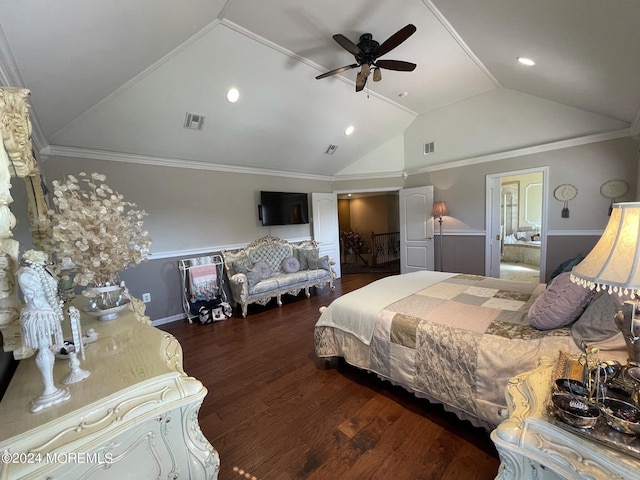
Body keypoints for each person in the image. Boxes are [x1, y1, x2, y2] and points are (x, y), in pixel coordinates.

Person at [17, 249, 70, 411]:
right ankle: (49, 389)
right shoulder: (26, 274)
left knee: (45, 348)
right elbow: (36, 298)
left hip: (47, 313)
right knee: (43, 348)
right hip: (39, 316)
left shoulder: (43, 270)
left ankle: (50, 388)